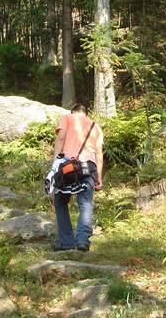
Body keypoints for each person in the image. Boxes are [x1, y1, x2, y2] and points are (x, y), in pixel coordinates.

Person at [52, 102, 103, 251]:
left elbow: (61, 138)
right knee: (85, 203)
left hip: (68, 166)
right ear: (85, 114)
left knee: (60, 201)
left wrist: (55, 163)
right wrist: (99, 177)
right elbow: (99, 154)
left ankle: (66, 242)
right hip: (89, 166)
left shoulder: (67, 117)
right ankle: (82, 240)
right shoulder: (95, 126)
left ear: (73, 111)